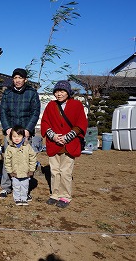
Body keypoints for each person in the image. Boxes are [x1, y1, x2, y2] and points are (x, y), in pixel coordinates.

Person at [41, 80, 88, 208]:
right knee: (54, 171)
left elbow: (81, 123)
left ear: (68, 92)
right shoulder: (51, 105)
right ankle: (54, 194)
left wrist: (68, 137)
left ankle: (65, 196)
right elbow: (45, 122)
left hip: (70, 144)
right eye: (56, 91)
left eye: (62, 91)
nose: (59, 94)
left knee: (66, 171)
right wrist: (53, 136)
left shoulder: (76, 105)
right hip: (54, 143)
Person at [0, 68, 41, 199]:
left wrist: (28, 129)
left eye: (20, 78)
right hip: (11, 132)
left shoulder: (32, 93)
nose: (17, 80)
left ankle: (24, 189)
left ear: (25, 79)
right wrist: (7, 128)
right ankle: (6, 187)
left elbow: (35, 112)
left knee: (25, 161)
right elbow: (3, 111)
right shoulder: (7, 93)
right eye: (15, 78)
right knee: (8, 159)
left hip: (26, 132)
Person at [4, 125, 37, 206]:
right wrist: (10, 171)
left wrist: (32, 170)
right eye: (14, 136)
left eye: (19, 136)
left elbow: (33, 158)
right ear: (11, 137)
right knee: (16, 186)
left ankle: (24, 198)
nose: (16, 138)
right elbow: (7, 161)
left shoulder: (27, 146)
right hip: (14, 173)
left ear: (23, 137)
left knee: (25, 186)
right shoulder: (9, 148)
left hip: (26, 172)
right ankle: (17, 199)